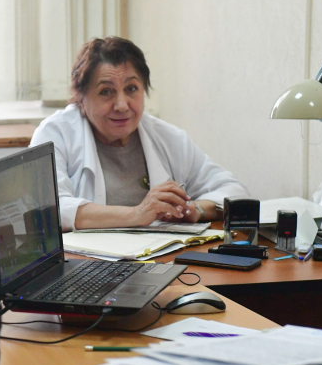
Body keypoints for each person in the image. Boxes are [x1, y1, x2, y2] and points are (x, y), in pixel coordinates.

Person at [30, 36, 249, 231]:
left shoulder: (168, 138)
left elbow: (234, 191)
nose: (122, 105)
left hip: (160, 258)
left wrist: (196, 210)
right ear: (81, 98)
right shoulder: (55, 134)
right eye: (106, 92)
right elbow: (47, 210)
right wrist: (137, 214)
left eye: (131, 89)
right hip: (85, 261)